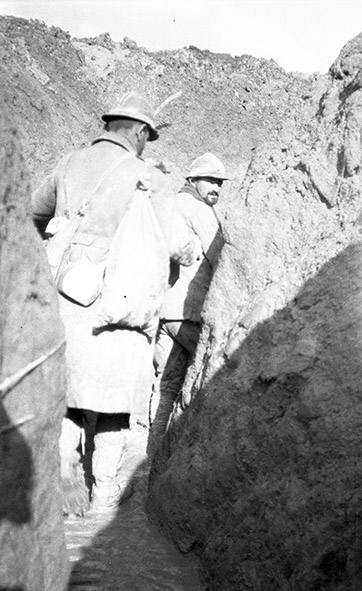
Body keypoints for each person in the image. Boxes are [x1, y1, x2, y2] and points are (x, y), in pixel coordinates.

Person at [31, 91, 196, 513]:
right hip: (119, 308)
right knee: (112, 406)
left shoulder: (69, 163)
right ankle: (103, 497)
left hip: (64, 300)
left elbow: (33, 213)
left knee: (66, 396)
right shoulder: (147, 176)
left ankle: (60, 485)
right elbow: (178, 245)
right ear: (140, 132)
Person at [150, 152, 228, 446]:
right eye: (210, 180)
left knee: (166, 383)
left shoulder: (172, 203)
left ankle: (151, 455)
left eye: (219, 182)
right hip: (189, 311)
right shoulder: (197, 209)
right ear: (192, 179)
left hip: (165, 310)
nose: (216, 188)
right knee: (206, 373)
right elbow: (219, 254)